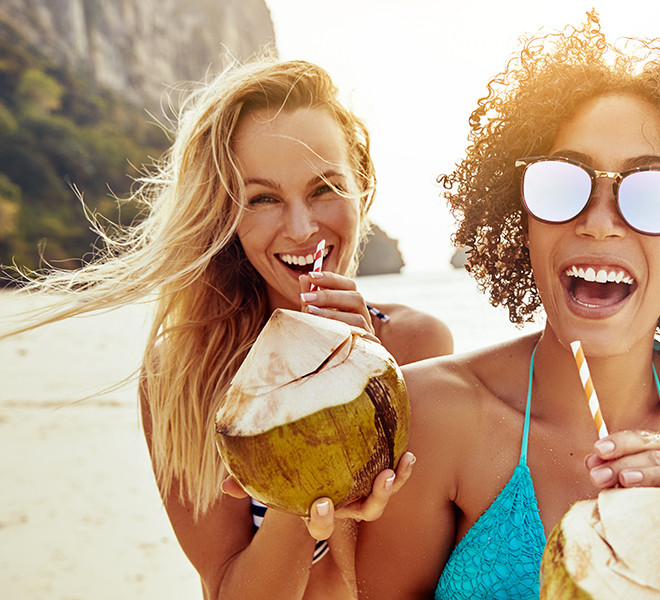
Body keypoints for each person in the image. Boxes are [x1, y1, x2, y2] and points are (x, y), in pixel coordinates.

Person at [354, 13, 660, 598]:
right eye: (563, 183)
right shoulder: (432, 413)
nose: (601, 222)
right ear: (524, 215)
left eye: (654, 193)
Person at [2, 57, 453, 598]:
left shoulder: (416, 346)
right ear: (227, 212)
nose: (302, 227)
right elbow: (229, 589)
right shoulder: (185, 375)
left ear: (361, 185)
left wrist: (362, 385)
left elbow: (395, 587)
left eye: (325, 188)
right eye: (263, 198)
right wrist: (299, 484)